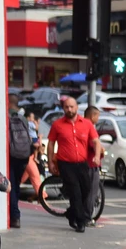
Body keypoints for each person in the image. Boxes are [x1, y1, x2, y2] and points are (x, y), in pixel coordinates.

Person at [46, 97, 102, 232]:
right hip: (65, 163)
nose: (69, 109)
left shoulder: (86, 124)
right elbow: (51, 143)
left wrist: (97, 156)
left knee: (86, 190)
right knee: (75, 192)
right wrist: (50, 162)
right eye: (66, 107)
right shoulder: (57, 125)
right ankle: (80, 221)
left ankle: (71, 213)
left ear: (77, 108)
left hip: (82, 163)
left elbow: (96, 142)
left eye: (71, 107)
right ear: (63, 108)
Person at [7, 94, 34, 228]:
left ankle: (15, 216)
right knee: (16, 185)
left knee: (10, 186)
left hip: (11, 155)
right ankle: (15, 214)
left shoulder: (6, 117)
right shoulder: (23, 118)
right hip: (23, 155)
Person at [83, 106, 104, 227]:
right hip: (91, 163)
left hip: (83, 163)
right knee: (91, 192)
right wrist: (100, 150)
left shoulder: (80, 124)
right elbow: (93, 144)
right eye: (97, 116)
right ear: (92, 116)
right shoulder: (89, 127)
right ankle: (87, 217)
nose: (98, 118)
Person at [22, 111, 42, 198]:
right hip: (29, 157)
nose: (32, 120)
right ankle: (42, 196)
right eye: (31, 118)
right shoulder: (27, 126)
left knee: (22, 178)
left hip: (30, 156)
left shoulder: (25, 126)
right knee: (35, 177)